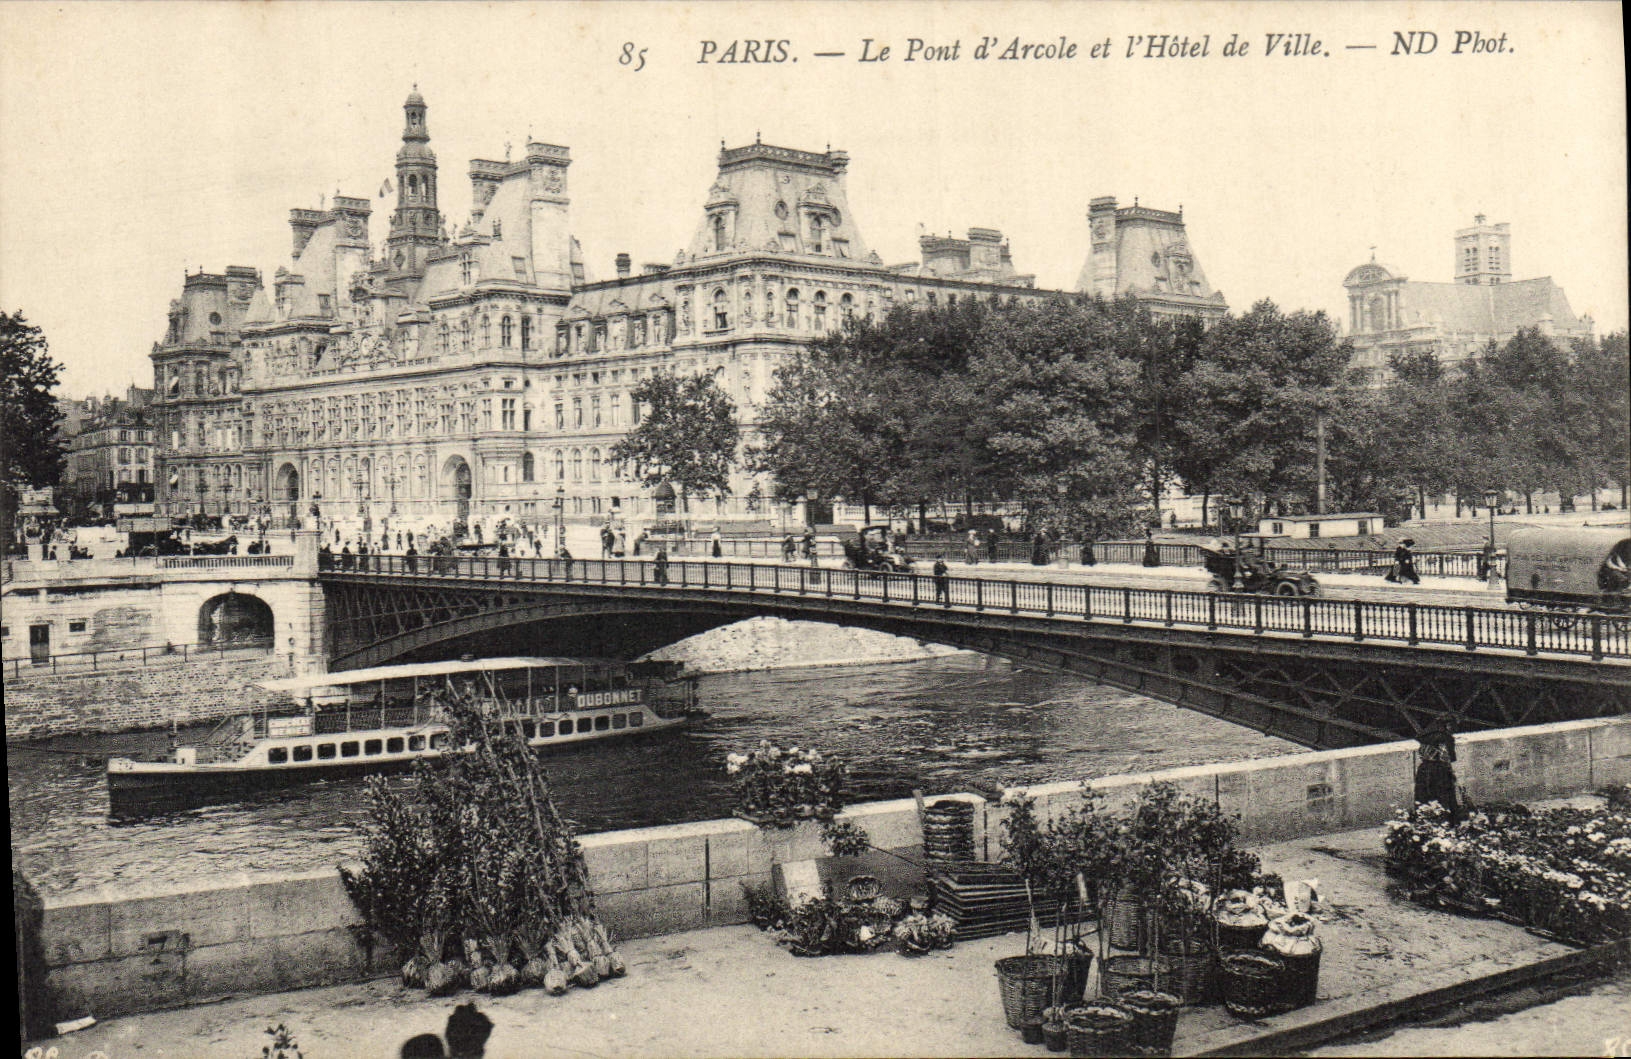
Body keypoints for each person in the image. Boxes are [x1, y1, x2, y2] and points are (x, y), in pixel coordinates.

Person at [1414, 723, 1460, 821]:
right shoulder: (1446, 738)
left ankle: (1425, 819)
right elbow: (1446, 757)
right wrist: (1452, 773)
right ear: (1448, 726)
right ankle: (1448, 820)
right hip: (1440, 770)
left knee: (1424, 796)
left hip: (1424, 769)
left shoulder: (1425, 737)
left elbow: (1421, 753)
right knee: (1444, 795)